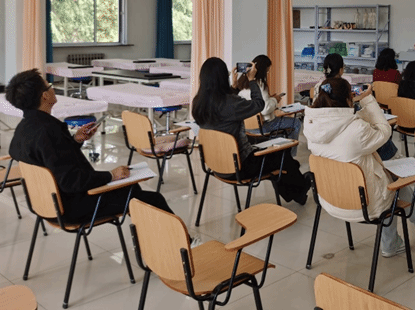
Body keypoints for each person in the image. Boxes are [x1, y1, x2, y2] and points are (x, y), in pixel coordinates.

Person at [7, 69, 175, 223]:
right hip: (72, 207)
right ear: (45, 96)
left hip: (45, 204)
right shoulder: (49, 131)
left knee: (132, 189)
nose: (53, 89)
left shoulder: (24, 128)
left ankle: (151, 239)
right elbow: (71, 181)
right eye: (50, 86)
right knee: (152, 200)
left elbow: (52, 158)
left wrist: (75, 140)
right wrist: (111, 175)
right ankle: (176, 241)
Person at [304, 77, 415, 257]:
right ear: (348, 99)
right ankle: (392, 242)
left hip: (330, 199)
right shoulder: (356, 129)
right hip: (363, 205)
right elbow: (384, 131)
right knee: (392, 182)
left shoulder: (310, 126)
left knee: (385, 174)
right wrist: (367, 99)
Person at [192, 57, 309, 205]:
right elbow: (259, 104)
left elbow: (225, 104)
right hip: (241, 166)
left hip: (216, 164)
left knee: (278, 154)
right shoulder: (231, 103)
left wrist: (235, 87)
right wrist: (252, 80)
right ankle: (300, 189)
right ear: (222, 78)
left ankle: (296, 190)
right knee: (282, 155)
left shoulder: (198, 102)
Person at [313, 54, 399, 161]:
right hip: (351, 137)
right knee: (376, 136)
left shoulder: (319, 88)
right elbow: (384, 133)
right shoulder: (358, 130)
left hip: (329, 134)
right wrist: (366, 98)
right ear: (341, 69)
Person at [235, 54, 302, 154]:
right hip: (262, 127)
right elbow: (265, 109)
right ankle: (290, 156)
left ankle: (278, 147)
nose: (268, 73)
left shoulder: (241, 84)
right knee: (296, 122)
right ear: (263, 70)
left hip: (246, 127)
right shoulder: (260, 84)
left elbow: (257, 102)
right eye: (267, 70)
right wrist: (275, 99)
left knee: (282, 127)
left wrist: (270, 98)